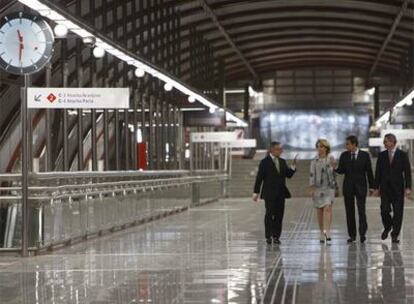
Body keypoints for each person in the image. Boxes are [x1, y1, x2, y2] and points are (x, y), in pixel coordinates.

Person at [253, 141, 297, 244]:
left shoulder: (282, 161)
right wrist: (256, 192)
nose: (281, 151)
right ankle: (268, 236)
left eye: (281, 149)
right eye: (278, 149)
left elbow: (288, 175)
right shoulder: (264, 162)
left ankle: (276, 236)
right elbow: (259, 178)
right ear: (272, 150)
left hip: (281, 193)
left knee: (279, 215)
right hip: (269, 193)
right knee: (269, 214)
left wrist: (293, 167)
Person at [334, 135, 374, 243]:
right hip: (348, 188)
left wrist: (372, 187)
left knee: (361, 210)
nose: (346, 146)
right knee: (349, 211)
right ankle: (352, 235)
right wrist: (335, 168)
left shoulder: (365, 155)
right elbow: (341, 171)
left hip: (361, 187)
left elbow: (369, 172)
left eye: (348, 144)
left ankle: (362, 234)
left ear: (354, 144)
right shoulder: (344, 155)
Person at [373, 133, 411, 243]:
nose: (385, 144)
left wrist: (408, 187)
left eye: (387, 141)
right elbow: (378, 172)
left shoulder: (402, 155)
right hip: (385, 189)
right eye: (384, 142)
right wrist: (376, 187)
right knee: (384, 210)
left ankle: (395, 235)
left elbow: (407, 172)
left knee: (398, 212)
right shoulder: (382, 155)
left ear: (393, 142)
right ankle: (388, 226)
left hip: (398, 189)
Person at [309, 139, 336, 243]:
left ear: (326, 148)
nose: (320, 149)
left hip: (329, 187)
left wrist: (335, 167)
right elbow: (311, 175)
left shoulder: (331, 158)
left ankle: (327, 231)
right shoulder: (314, 160)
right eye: (318, 146)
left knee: (328, 208)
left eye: (322, 147)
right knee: (320, 211)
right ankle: (321, 232)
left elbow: (335, 173)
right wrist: (311, 188)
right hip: (318, 188)